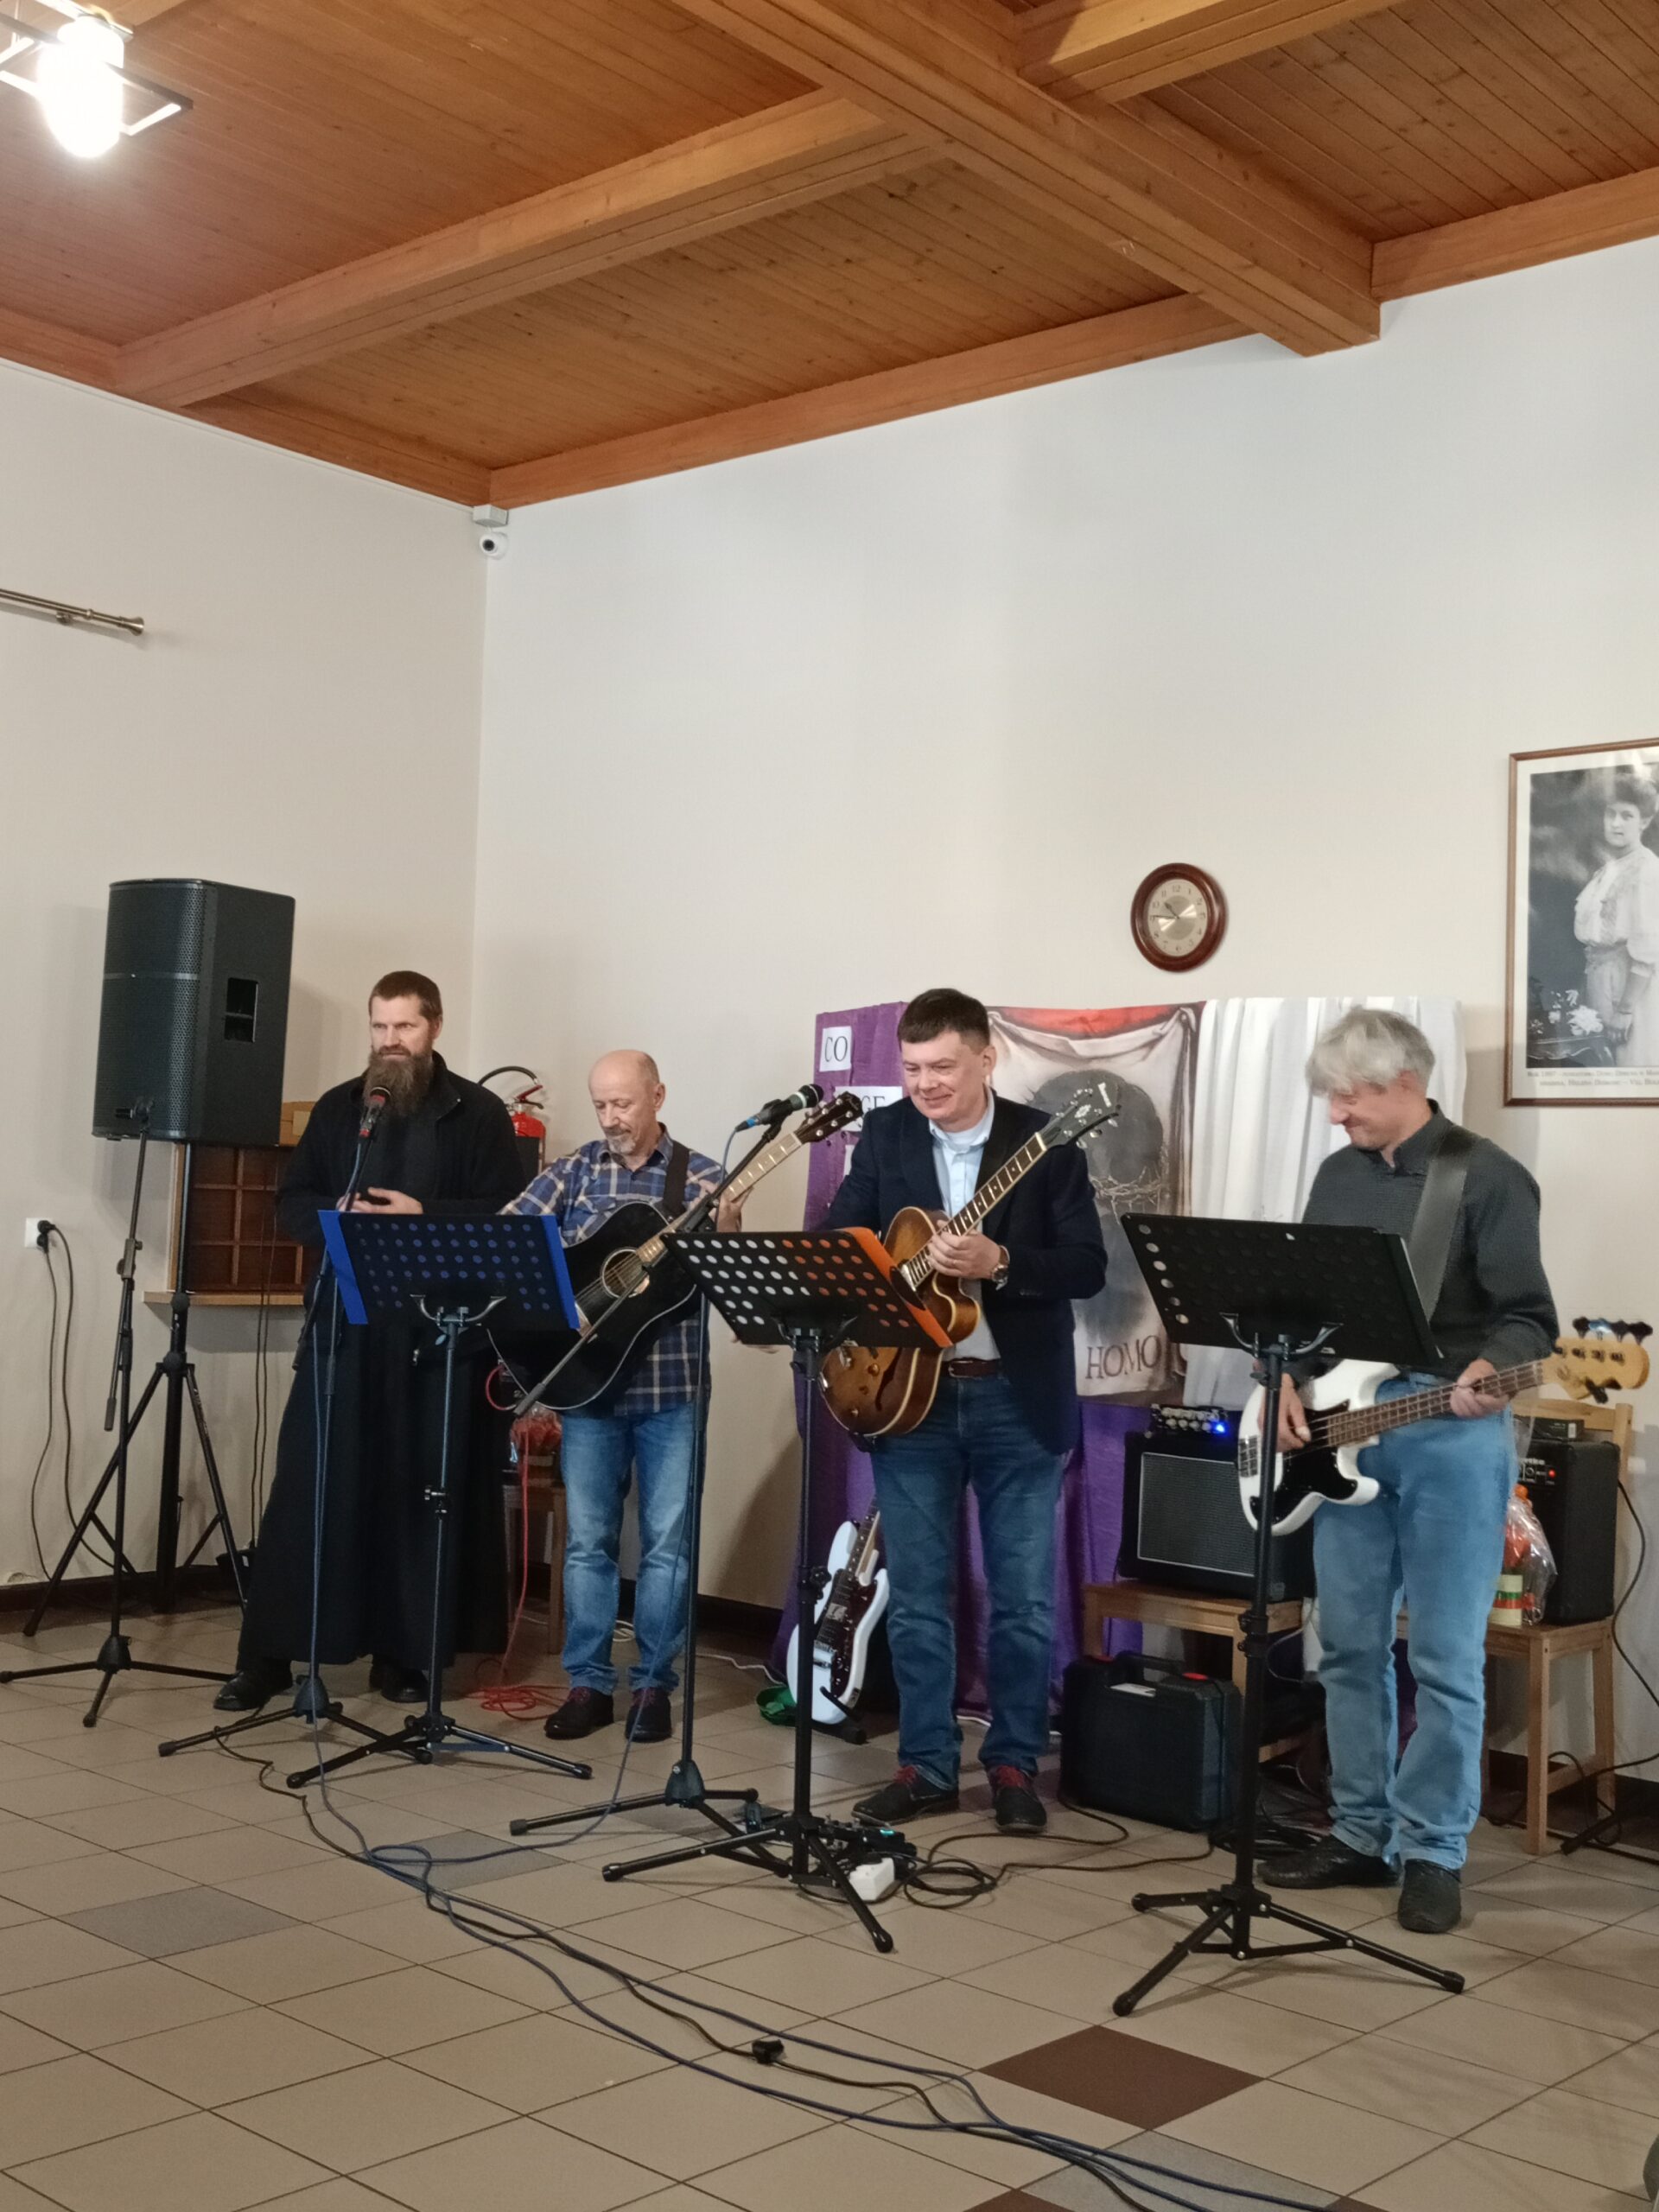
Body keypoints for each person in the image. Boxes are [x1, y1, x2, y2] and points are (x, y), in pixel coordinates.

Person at [1264, 1009, 1557, 1934]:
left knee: (1444, 1656)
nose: (1335, 1113)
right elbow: (1302, 1304)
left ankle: (1434, 1851)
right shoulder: (1337, 1176)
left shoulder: (1488, 1176)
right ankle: (1360, 1832)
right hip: (1345, 1430)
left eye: (1348, 1095)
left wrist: (1492, 1367)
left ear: (1404, 1082)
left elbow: (1530, 1319)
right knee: (1348, 1645)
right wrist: (1284, 1379)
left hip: (1450, 1432)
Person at [821, 988, 1108, 1834]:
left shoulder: (1046, 1143)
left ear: (987, 1058)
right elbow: (842, 1242)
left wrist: (1001, 1261)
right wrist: (888, 1275)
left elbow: (1086, 1266)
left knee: (1022, 1600)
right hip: (908, 1397)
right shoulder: (887, 1135)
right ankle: (925, 1766)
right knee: (917, 1596)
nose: (926, 1084)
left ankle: (1013, 1764)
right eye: (912, 1069)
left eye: (943, 1066)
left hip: (1017, 1397)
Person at [216, 972, 524, 1712]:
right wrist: (339, 1210)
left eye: (405, 1028)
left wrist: (423, 1214)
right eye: (380, 1027)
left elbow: (508, 1212)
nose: (390, 1042)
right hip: (345, 1333)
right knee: (310, 1492)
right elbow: (292, 1201)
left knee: (418, 1498)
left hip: (438, 1340)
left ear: (435, 1027)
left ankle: (406, 1656)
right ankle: (270, 1657)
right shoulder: (340, 1108)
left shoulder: (479, 1114)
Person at [505, 1052, 743, 1745]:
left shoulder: (703, 1180)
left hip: (672, 1390)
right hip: (589, 1391)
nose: (611, 1119)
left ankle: (652, 1688)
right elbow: (509, 1236)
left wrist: (730, 1236)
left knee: (668, 1545)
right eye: (601, 1105)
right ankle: (588, 1684)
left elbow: (732, 1289)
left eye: (624, 1104)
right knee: (588, 1543)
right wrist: (560, 1300)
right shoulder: (575, 1171)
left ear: (658, 1096)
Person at [1574, 768, 1659, 1069]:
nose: (1615, 823)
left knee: (1630, 1063)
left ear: (1645, 821)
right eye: (1610, 813)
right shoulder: (1609, 868)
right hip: (1601, 982)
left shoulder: (1647, 870)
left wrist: (1625, 1010)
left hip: (1630, 991)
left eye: (1627, 815)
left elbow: (1648, 948)